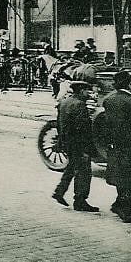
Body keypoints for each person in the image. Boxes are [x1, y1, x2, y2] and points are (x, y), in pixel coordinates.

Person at [102, 70, 131, 223]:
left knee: (120, 176)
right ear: (129, 83)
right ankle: (122, 206)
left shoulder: (108, 99)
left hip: (115, 144)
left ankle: (122, 204)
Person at [52, 79, 99, 213]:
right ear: (81, 91)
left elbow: (59, 124)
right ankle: (80, 201)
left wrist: (61, 141)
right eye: (86, 91)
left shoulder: (64, 102)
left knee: (72, 167)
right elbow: (82, 129)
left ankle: (59, 192)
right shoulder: (79, 105)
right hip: (78, 144)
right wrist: (87, 149)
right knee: (84, 172)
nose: (88, 94)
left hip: (67, 142)